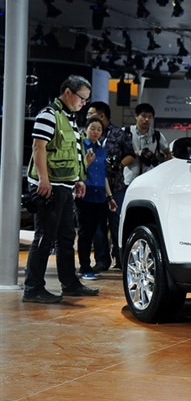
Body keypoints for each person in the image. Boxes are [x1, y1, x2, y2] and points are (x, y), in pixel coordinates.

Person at [22, 75, 99, 303]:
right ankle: (33, 288)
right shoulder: (48, 115)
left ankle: (70, 283)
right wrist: (43, 180)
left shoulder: (69, 118)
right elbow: (38, 147)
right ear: (68, 93)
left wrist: (78, 179)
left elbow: (71, 153)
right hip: (50, 186)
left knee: (66, 237)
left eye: (86, 100)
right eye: (82, 98)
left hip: (64, 186)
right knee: (44, 237)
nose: (84, 103)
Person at [85, 101, 134, 271]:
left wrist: (119, 165)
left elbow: (130, 155)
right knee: (98, 225)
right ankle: (101, 261)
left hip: (116, 185)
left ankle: (121, 259)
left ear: (101, 115)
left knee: (116, 223)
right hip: (95, 186)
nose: (87, 116)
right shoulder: (87, 134)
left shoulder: (119, 134)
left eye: (90, 113)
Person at [75, 116, 117, 280]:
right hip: (85, 194)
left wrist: (110, 197)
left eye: (99, 129)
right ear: (86, 129)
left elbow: (104, 176)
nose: (95, 132)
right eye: (92, 128)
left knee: (98, 232)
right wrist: (86, 162)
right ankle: (84, 266)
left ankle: (94, 264)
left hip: (100, 196)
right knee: (85, 232)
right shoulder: (80, 147)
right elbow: (77, 170)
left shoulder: (102, 150)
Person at [122, 102, 172, 188]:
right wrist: (137, 153)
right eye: (144, 116)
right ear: (136, 116)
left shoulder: (157, 135)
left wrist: (162, 165)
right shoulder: (126, 132)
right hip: (129, 180)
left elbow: (168, 152)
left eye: (150, 117)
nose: (147, 119)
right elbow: (117, 151)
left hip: (150, 180)